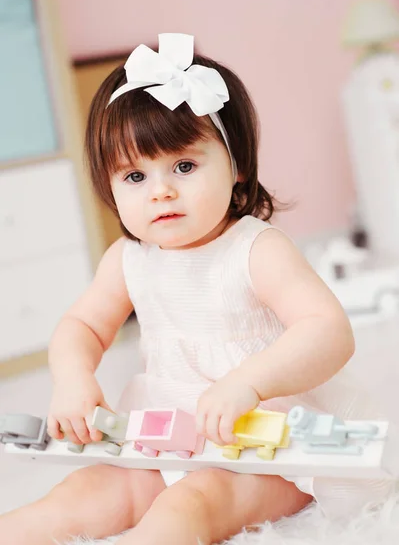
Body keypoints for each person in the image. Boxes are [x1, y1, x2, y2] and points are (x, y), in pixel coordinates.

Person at [0, 33, 394, 545]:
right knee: (88, 492)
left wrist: (248, 383)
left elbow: (329, 331)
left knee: (193, 503)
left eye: (184, 166)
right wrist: (73, 378)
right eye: (135, 176)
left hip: (269, 448)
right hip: (173, 434)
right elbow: (82, 326)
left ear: (237, 168)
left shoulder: (255, 250)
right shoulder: (129, 260)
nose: (161, 190)